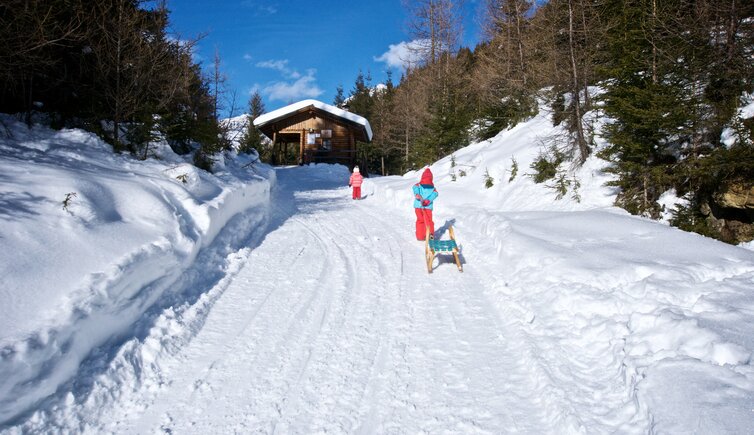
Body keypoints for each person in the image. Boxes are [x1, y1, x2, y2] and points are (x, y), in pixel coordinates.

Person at [413, 167, 438, 240]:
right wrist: (417, 194)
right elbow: (414, 188)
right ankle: (421, 236)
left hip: (427, 207)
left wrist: (428, 200)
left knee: (428, 220)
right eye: (425, 182)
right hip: (418, 206)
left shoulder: (433, 188)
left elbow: (435, 194)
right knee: (421, 220)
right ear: (422, 179)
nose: (426, 184)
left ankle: (430, 235)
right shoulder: (418, 185)